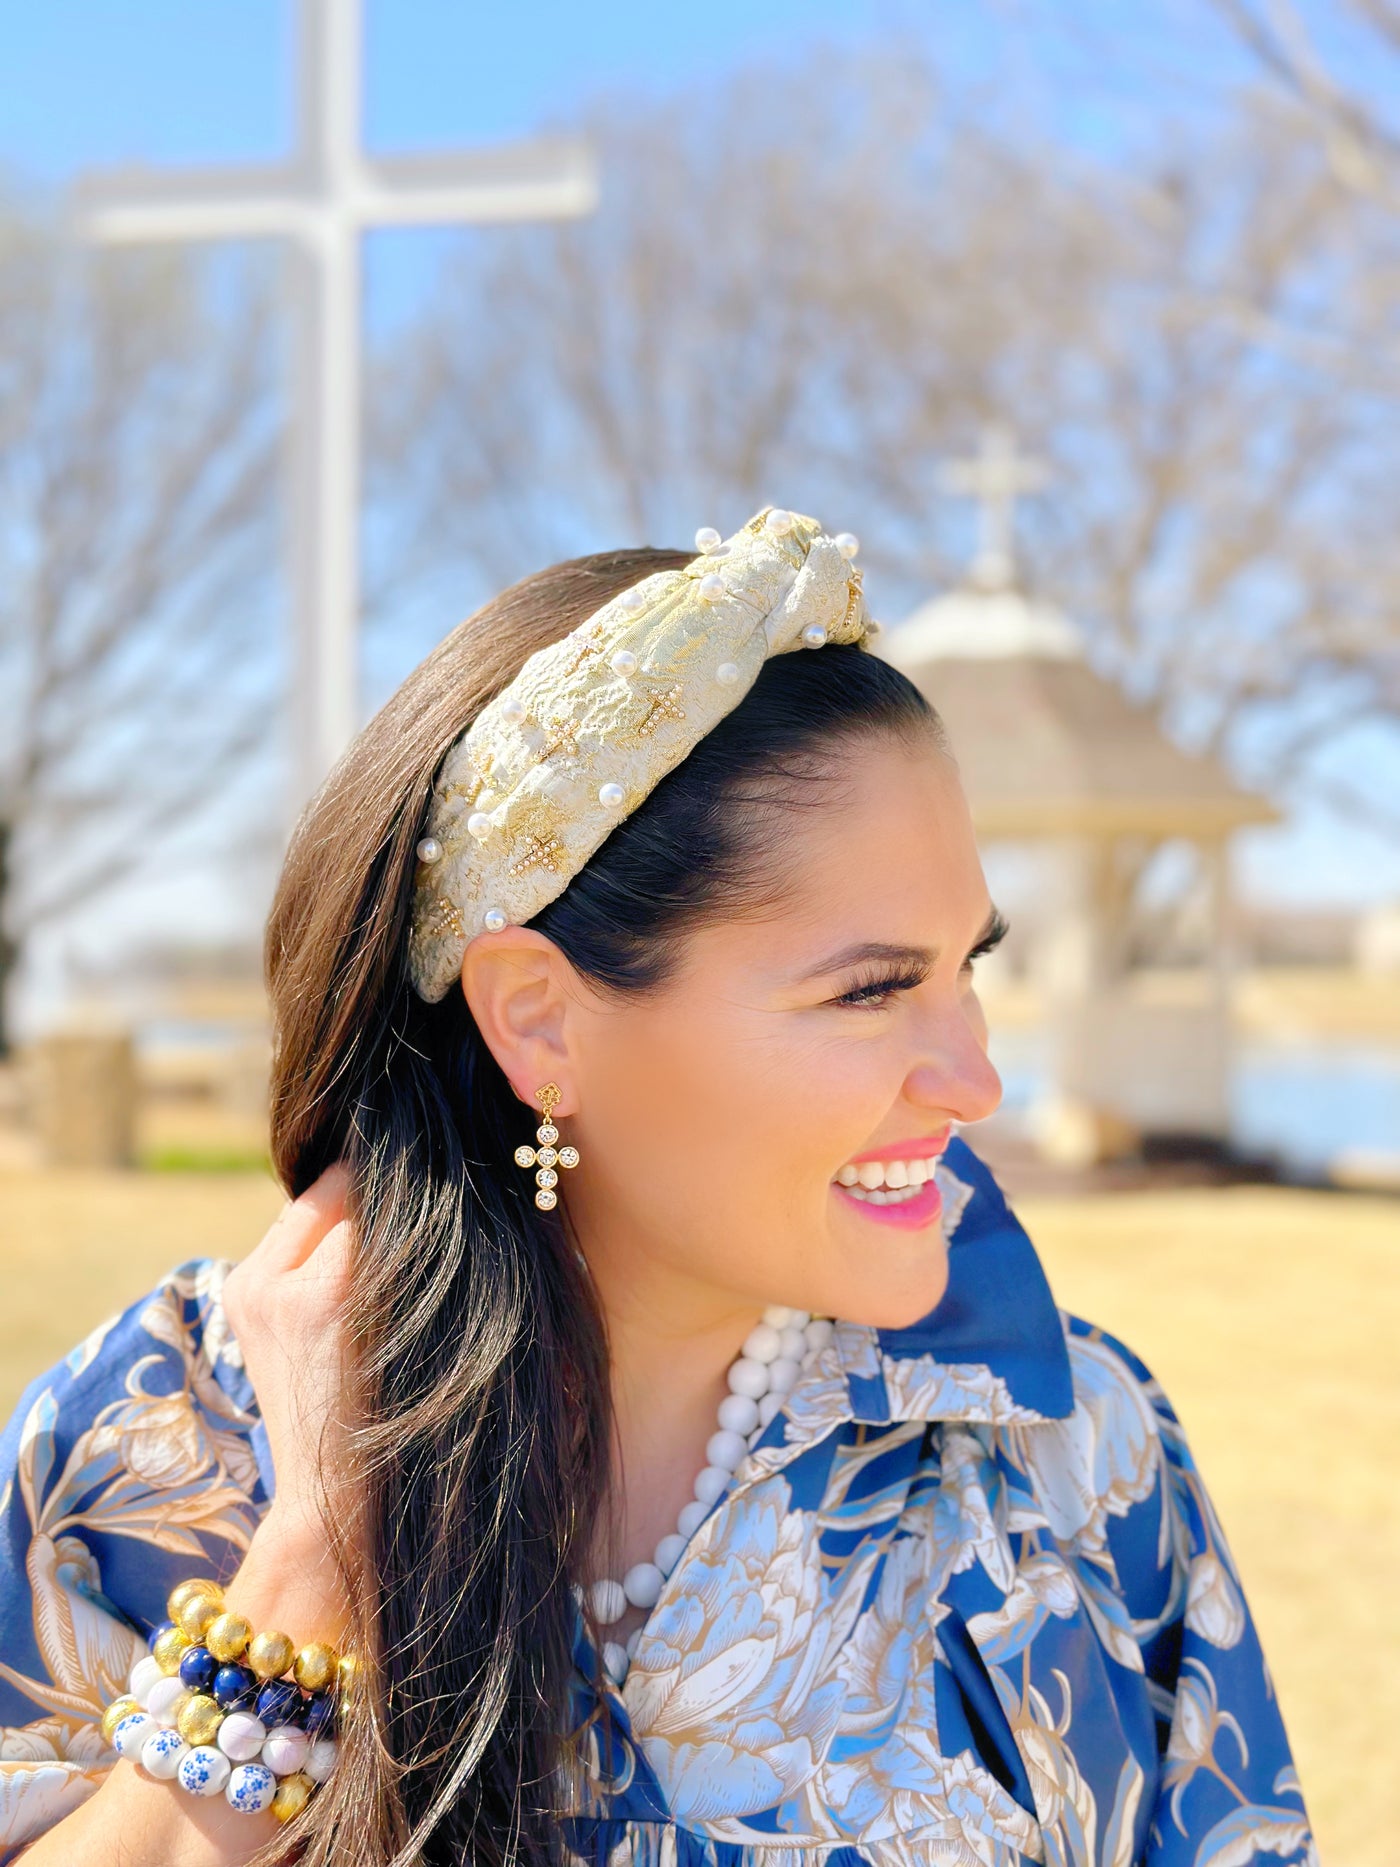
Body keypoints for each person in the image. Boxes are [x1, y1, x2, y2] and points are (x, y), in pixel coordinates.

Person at [0, 509, 1315, 1867]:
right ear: (541, 1022)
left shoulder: (1071, 1451)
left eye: (963, 967)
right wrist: (316, 1565)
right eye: (872, 988)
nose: (975, 1082)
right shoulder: (154, 1447)